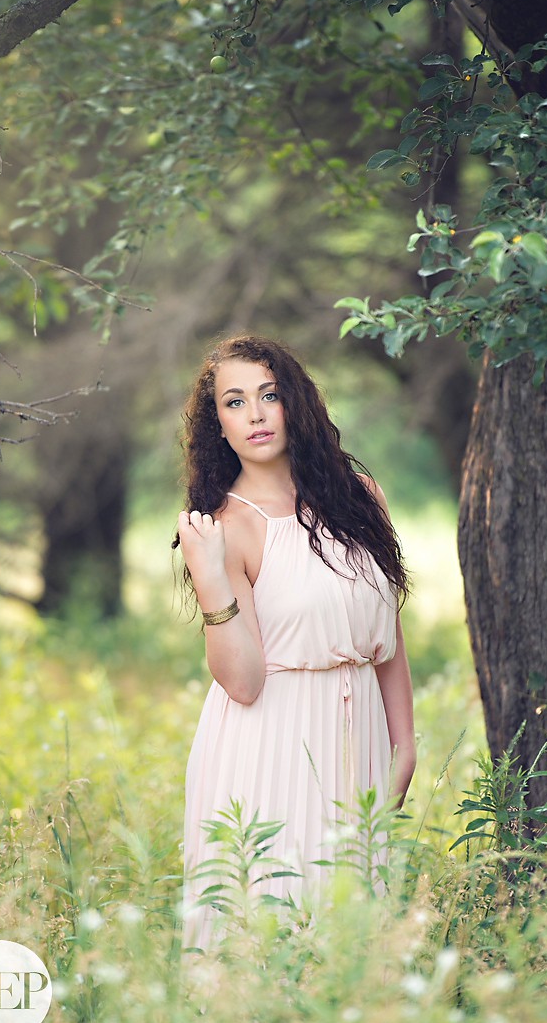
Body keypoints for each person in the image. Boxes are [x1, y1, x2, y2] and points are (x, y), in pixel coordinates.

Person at [173, 334, 415, 954]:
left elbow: (386, 638)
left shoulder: (361, 498)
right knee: (274, 928)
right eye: (234, 402)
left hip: (356, 740)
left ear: (295, 404)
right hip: (270, 743)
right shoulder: (230, 527)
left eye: (268, 395)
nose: (254, 414)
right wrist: (209, 580)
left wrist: (405, 745)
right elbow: (243, 682)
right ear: (218, 426)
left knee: (354, 937)